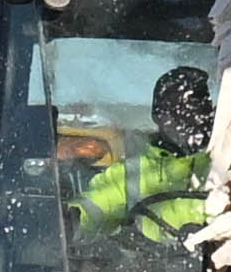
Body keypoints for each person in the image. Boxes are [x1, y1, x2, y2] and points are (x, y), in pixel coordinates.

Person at [66, 62, 216, 247]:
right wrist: (71, 222)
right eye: (179, 110)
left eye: (199, 106)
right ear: (159, 115)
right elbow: (95, 206)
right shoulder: (136, 172)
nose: (191, 117)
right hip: (163, 267)